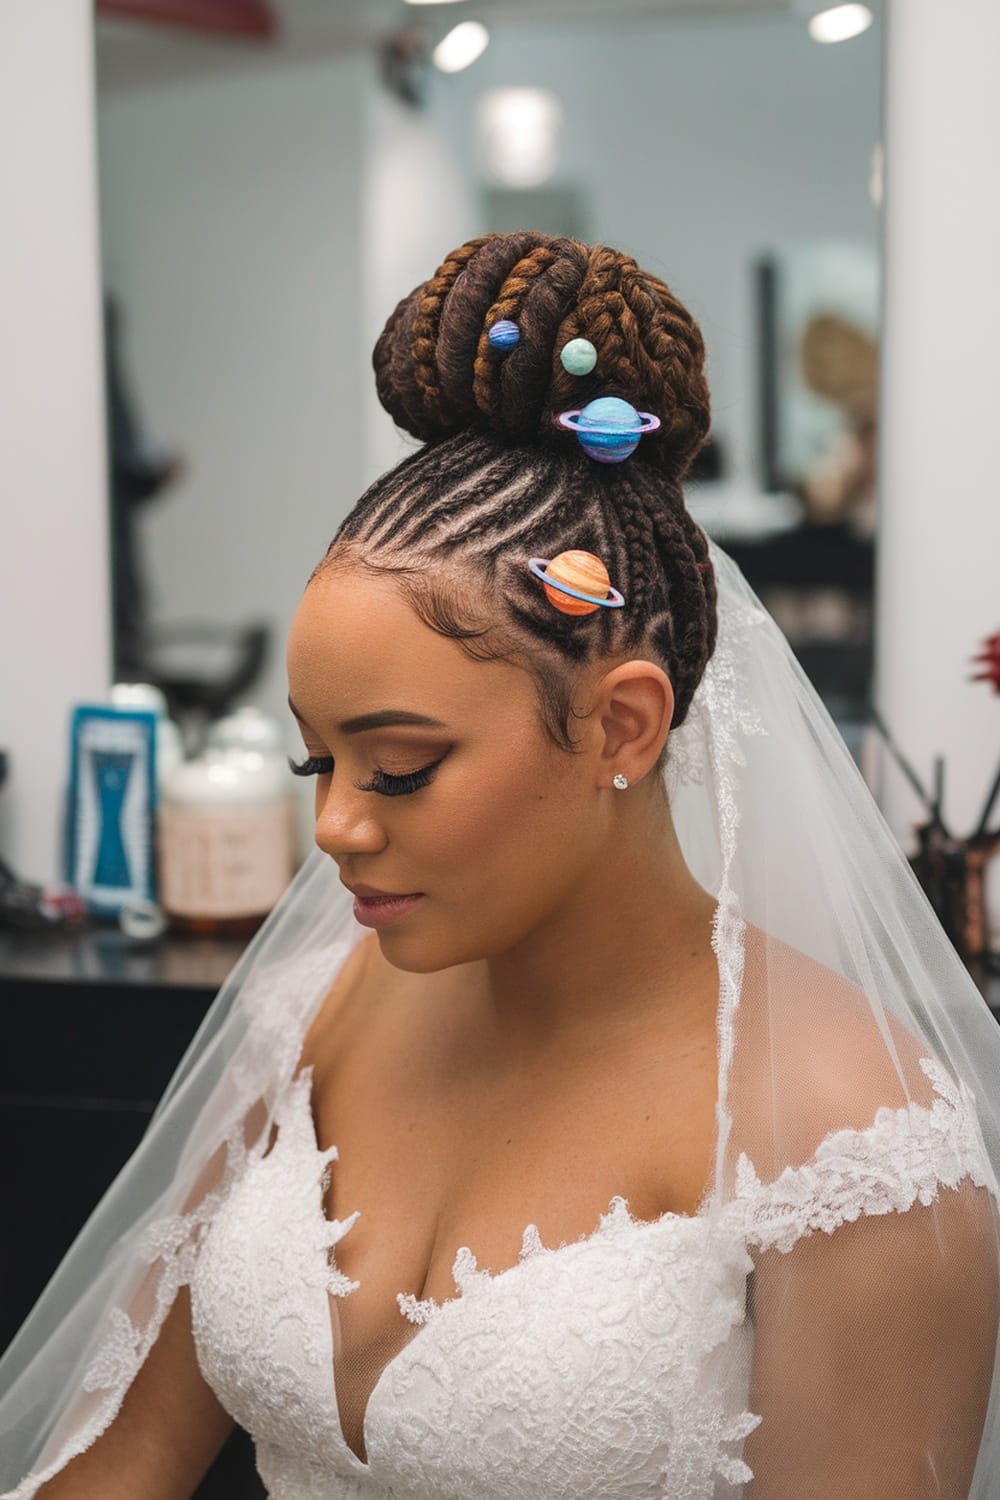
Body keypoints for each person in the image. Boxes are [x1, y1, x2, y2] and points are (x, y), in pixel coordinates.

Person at [2, 230, 999, 1498]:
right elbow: (123, 1458)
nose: (337, 832)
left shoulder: (856, 1138)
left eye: (400, 768)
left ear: (619, 726)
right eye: (318, 765)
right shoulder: (309, 1011)